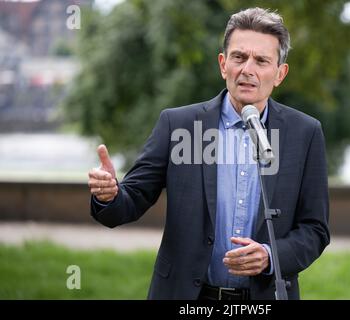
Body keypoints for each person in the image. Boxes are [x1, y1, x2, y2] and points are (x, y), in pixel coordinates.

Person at [88, 7, 330, 300]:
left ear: (280, 73)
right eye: (239, 57)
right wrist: (109, 196)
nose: (247, 70)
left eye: (262, 61)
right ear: (223, 64)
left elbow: (315, 229)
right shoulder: (178, 125)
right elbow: (129, 202)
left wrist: (270, 256)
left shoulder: (305, 133)